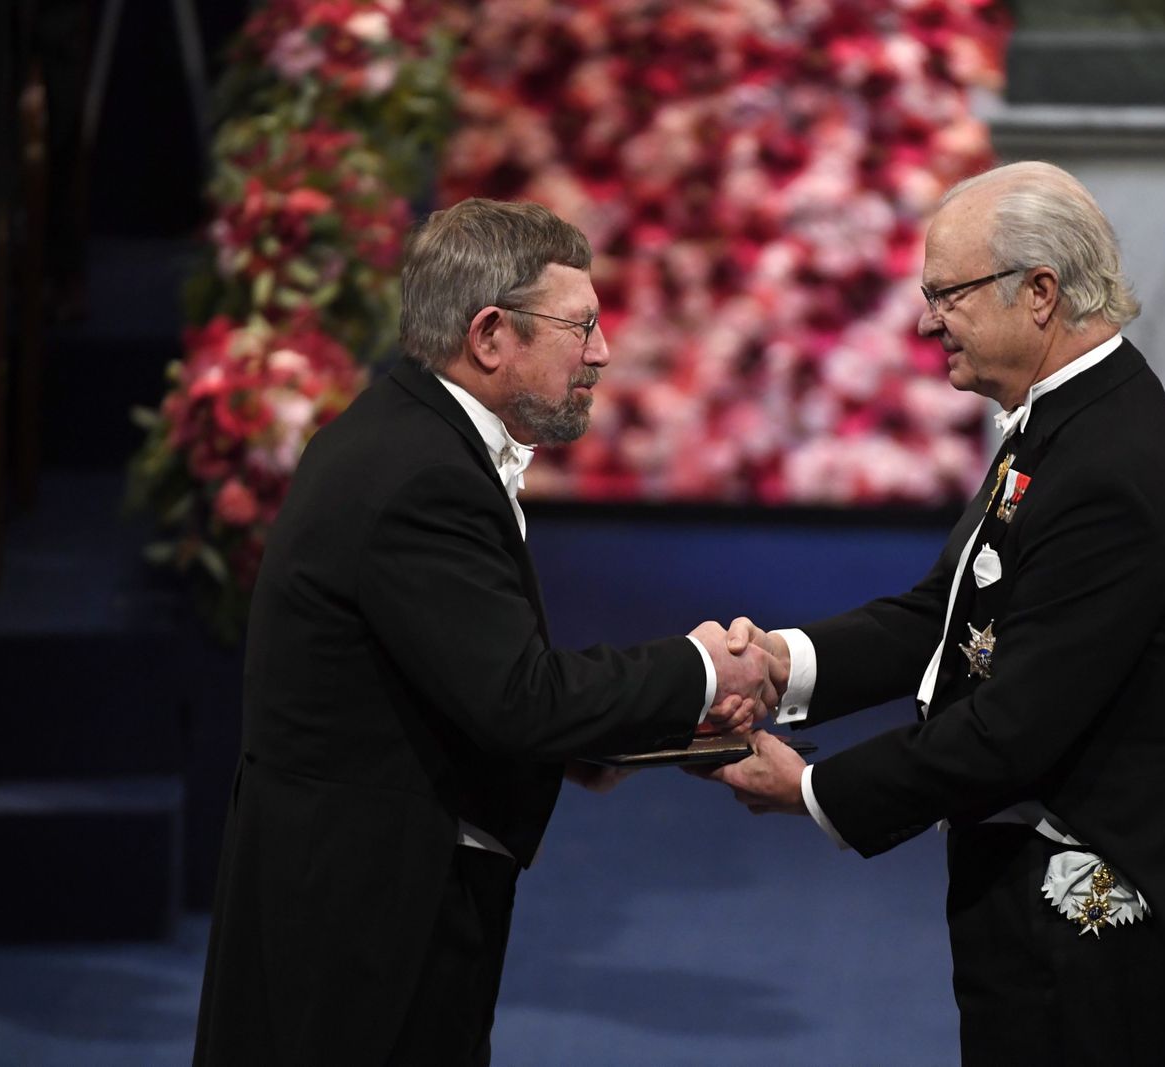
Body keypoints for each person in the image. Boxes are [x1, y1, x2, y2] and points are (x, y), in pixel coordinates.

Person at [193, 198, 782, 1066]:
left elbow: (462, 681)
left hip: (369, 896)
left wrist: (613, 738)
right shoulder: (419, 475)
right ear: (491, 334)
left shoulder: (408, 436)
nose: (602, 351)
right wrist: (699, 668)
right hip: (363, 928)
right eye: (580, 326)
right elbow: (517, 698)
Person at [705, 161, 1165, 1065]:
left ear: (1039, 292)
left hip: (1097, 950)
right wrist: (781, 667)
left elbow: (1013, 728)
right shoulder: (1067, 422)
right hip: (1032, 924)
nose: (922, 320)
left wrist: (814, 791)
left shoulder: (1111, 467)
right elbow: (942, 618)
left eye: (946, 293)